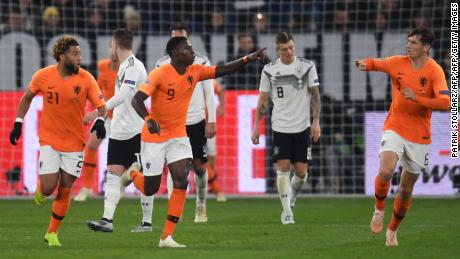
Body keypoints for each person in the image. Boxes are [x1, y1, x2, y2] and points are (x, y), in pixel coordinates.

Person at [124, 36, 266, 248]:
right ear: (175, 54)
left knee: (181, 179)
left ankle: (166, 237)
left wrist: (248, 58)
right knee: (151, 188)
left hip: (178, 136)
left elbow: (224, 69)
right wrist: (149, 119)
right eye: (187, 48)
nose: (192, 51)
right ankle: (132, 174)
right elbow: (137, 100)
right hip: (154, 137)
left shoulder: (196, 71)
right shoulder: (160, 73)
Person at [355, 27, 450, 246]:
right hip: (395, 127)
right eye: (408, 41)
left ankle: (392, 230)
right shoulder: (398, 62)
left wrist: (418, 98)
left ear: (426, 47)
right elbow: (378, 63)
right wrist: (365, 64)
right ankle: (379, 209)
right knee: (386, 170)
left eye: (414, 43)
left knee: (406, 189)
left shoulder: (434, 70)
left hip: (419, 136)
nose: (409, 46)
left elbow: (445, 103)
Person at [9, 35, 106, 246]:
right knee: (49, 187)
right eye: (75, 53)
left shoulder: (86, 78)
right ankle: (41, 189)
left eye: (80, 53)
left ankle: (52, 233)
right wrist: (18, 122)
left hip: (75, 143)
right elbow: (27, 97)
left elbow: (102, 107)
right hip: (50, 140)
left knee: (66, 186)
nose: (80, 57)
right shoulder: (43, 76)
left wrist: (100, 121)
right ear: (62, 56)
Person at [145, 23, 216, 225]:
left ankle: (201, 204)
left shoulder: (200, 62)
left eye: (183, 39)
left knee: (200, 168)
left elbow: (209, 92)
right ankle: (174, 210)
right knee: (174, 166)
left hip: (195, 120)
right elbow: (154, 93)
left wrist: (211, 120)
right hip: (172, 123)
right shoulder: (161, 65)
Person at [251, 32, 321, 225]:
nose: (289, 52)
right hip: (280, 126)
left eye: (291, 47)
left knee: (301, 173)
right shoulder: (269, 70)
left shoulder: (307, 67)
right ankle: (286, 212)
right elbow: (263, 102)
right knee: (282, 168)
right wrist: (256, 127)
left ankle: (292, 198)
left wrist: (316, 121)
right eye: (284, 49)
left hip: (302, 127)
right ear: (277, 50)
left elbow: (315, 95)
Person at [85, 29, 148, 233]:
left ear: (115, 44)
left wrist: (97, 112)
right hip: (118, 132)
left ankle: (146, 222)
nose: (109, 49)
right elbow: (118, 100)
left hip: (135, 131)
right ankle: (107, 220)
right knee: (112, 176)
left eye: (111, 45)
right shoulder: (122, 67)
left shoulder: (134, 66)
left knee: (142, 177)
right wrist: (103, 119)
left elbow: (124, 95)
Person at [74, 50, 119, 202]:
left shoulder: (127, 70)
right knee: (92, 144)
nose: (113, 53)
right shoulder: (102, 66)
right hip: (104, 114)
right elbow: (98, 88)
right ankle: (87, 187)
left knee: (124, 151)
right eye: (112, 49)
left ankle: (121, 186)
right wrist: (94, 108)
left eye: (117, 49)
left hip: (121, 117)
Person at [206, 79, 226, 202]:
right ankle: (216, 189)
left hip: (209, 125)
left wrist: (222, 108)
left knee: (211, 159)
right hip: (194, 125)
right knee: (201, 160)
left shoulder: (208, 80)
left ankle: (210, 185)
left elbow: (220, 91)